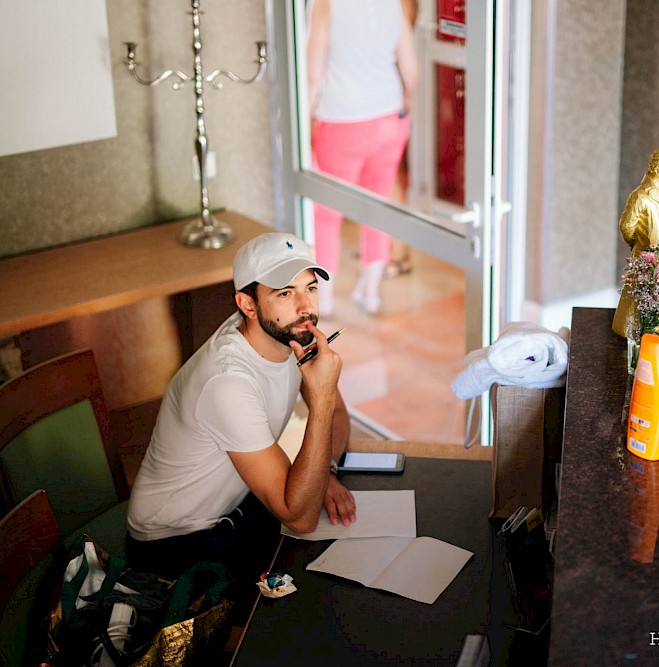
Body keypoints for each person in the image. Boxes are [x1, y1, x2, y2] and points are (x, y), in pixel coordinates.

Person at [126, 233, 357, 576]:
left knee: (337, 555)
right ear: (248, 305)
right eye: (284, 293)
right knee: (312, 586)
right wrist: (320, 397)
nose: (305, 307)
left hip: (235, 508)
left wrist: (325, 473)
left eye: (310, 288)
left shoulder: (289, 333)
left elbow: (337, 414)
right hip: (174, 546)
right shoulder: (228, 382)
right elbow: (301, 517)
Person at [306, 0, 419, 316]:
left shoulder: (325, 4)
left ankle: (324, 298)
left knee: (326, 211)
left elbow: (313, 72)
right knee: (377, 204)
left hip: (340, 118)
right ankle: (370, 293)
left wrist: (303, 121)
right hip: (389, 117)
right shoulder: (394, 4)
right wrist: (406, 103)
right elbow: (411, 69)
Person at [611, 148, 659, 340]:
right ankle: (640, 330)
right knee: (642, 295)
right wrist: (640, 245)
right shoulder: (640, 196)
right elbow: (626, 226)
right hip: (649, 255)